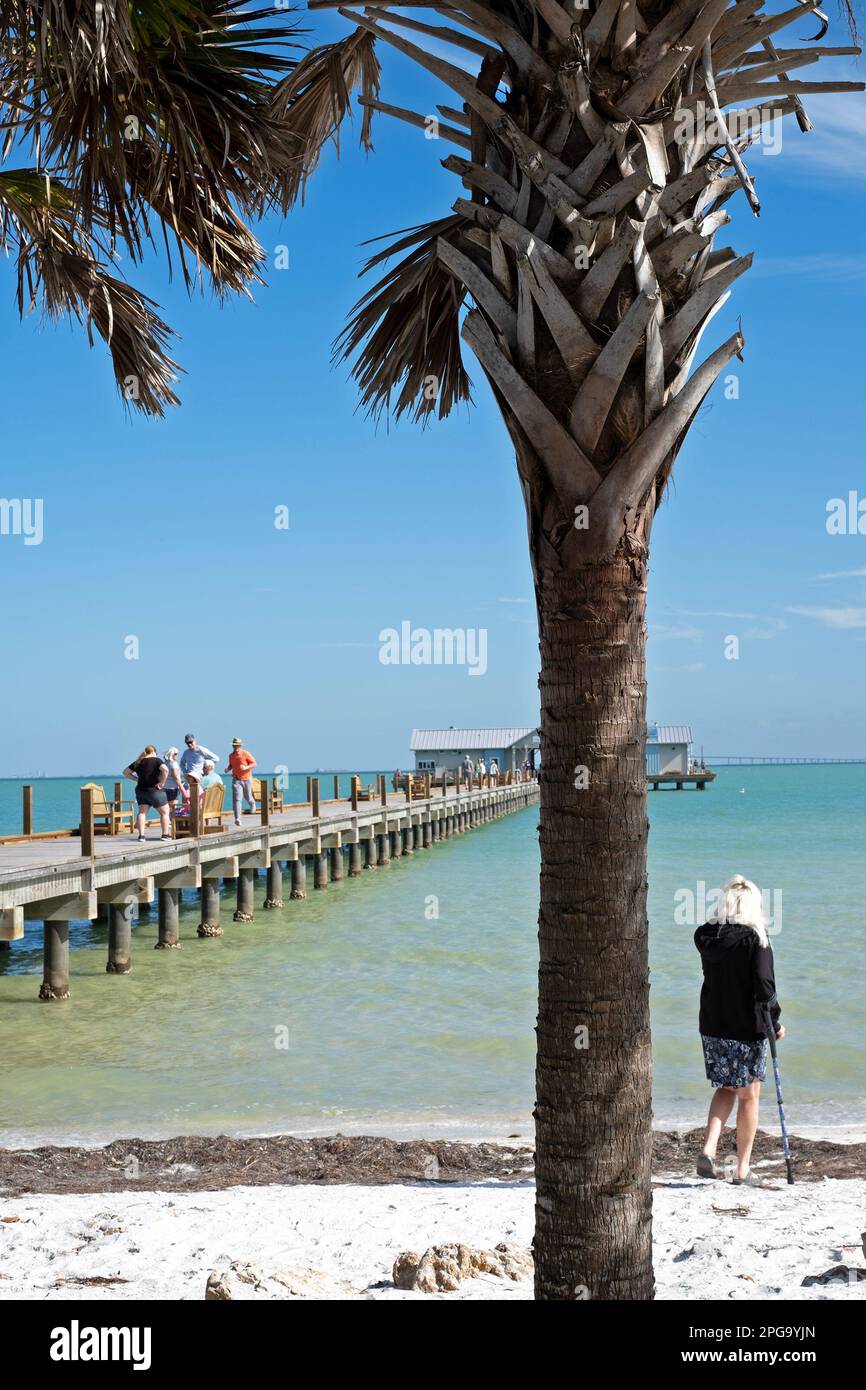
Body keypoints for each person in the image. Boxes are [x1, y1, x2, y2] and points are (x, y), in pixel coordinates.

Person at [694, 875, 784, 1187]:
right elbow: (764, 987)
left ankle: (708, 1148)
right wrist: (775, 1021)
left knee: (726, 1087)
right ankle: (742, 1169)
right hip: (747, 1028)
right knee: (749, 1095)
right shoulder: (757, 939)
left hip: (713, 1026)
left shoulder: (708, 938)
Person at [123, 745, 171, 841]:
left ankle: (141, 836)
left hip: (141, 790)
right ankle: (165, 835)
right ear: (154, 752)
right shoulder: (157, 760)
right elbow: (165, 769)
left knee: (142, 813)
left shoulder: (138, 761)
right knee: (165, 812)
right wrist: (162, 783)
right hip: (154, 790)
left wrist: (136, 779)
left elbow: (125, 772)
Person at [225, 737, 257, 826]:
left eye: (237, 746)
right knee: (237, 799)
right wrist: (228, 769)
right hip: (236, 779)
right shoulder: (231, 756)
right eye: (234, 745)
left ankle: (252, 803)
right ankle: (238, 818)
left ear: (240, 746)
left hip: (247, 779)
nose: (236, 747)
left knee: (248, 797)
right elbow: (231, 765)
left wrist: (246, 767)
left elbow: (254, 763)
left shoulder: (246, 753)